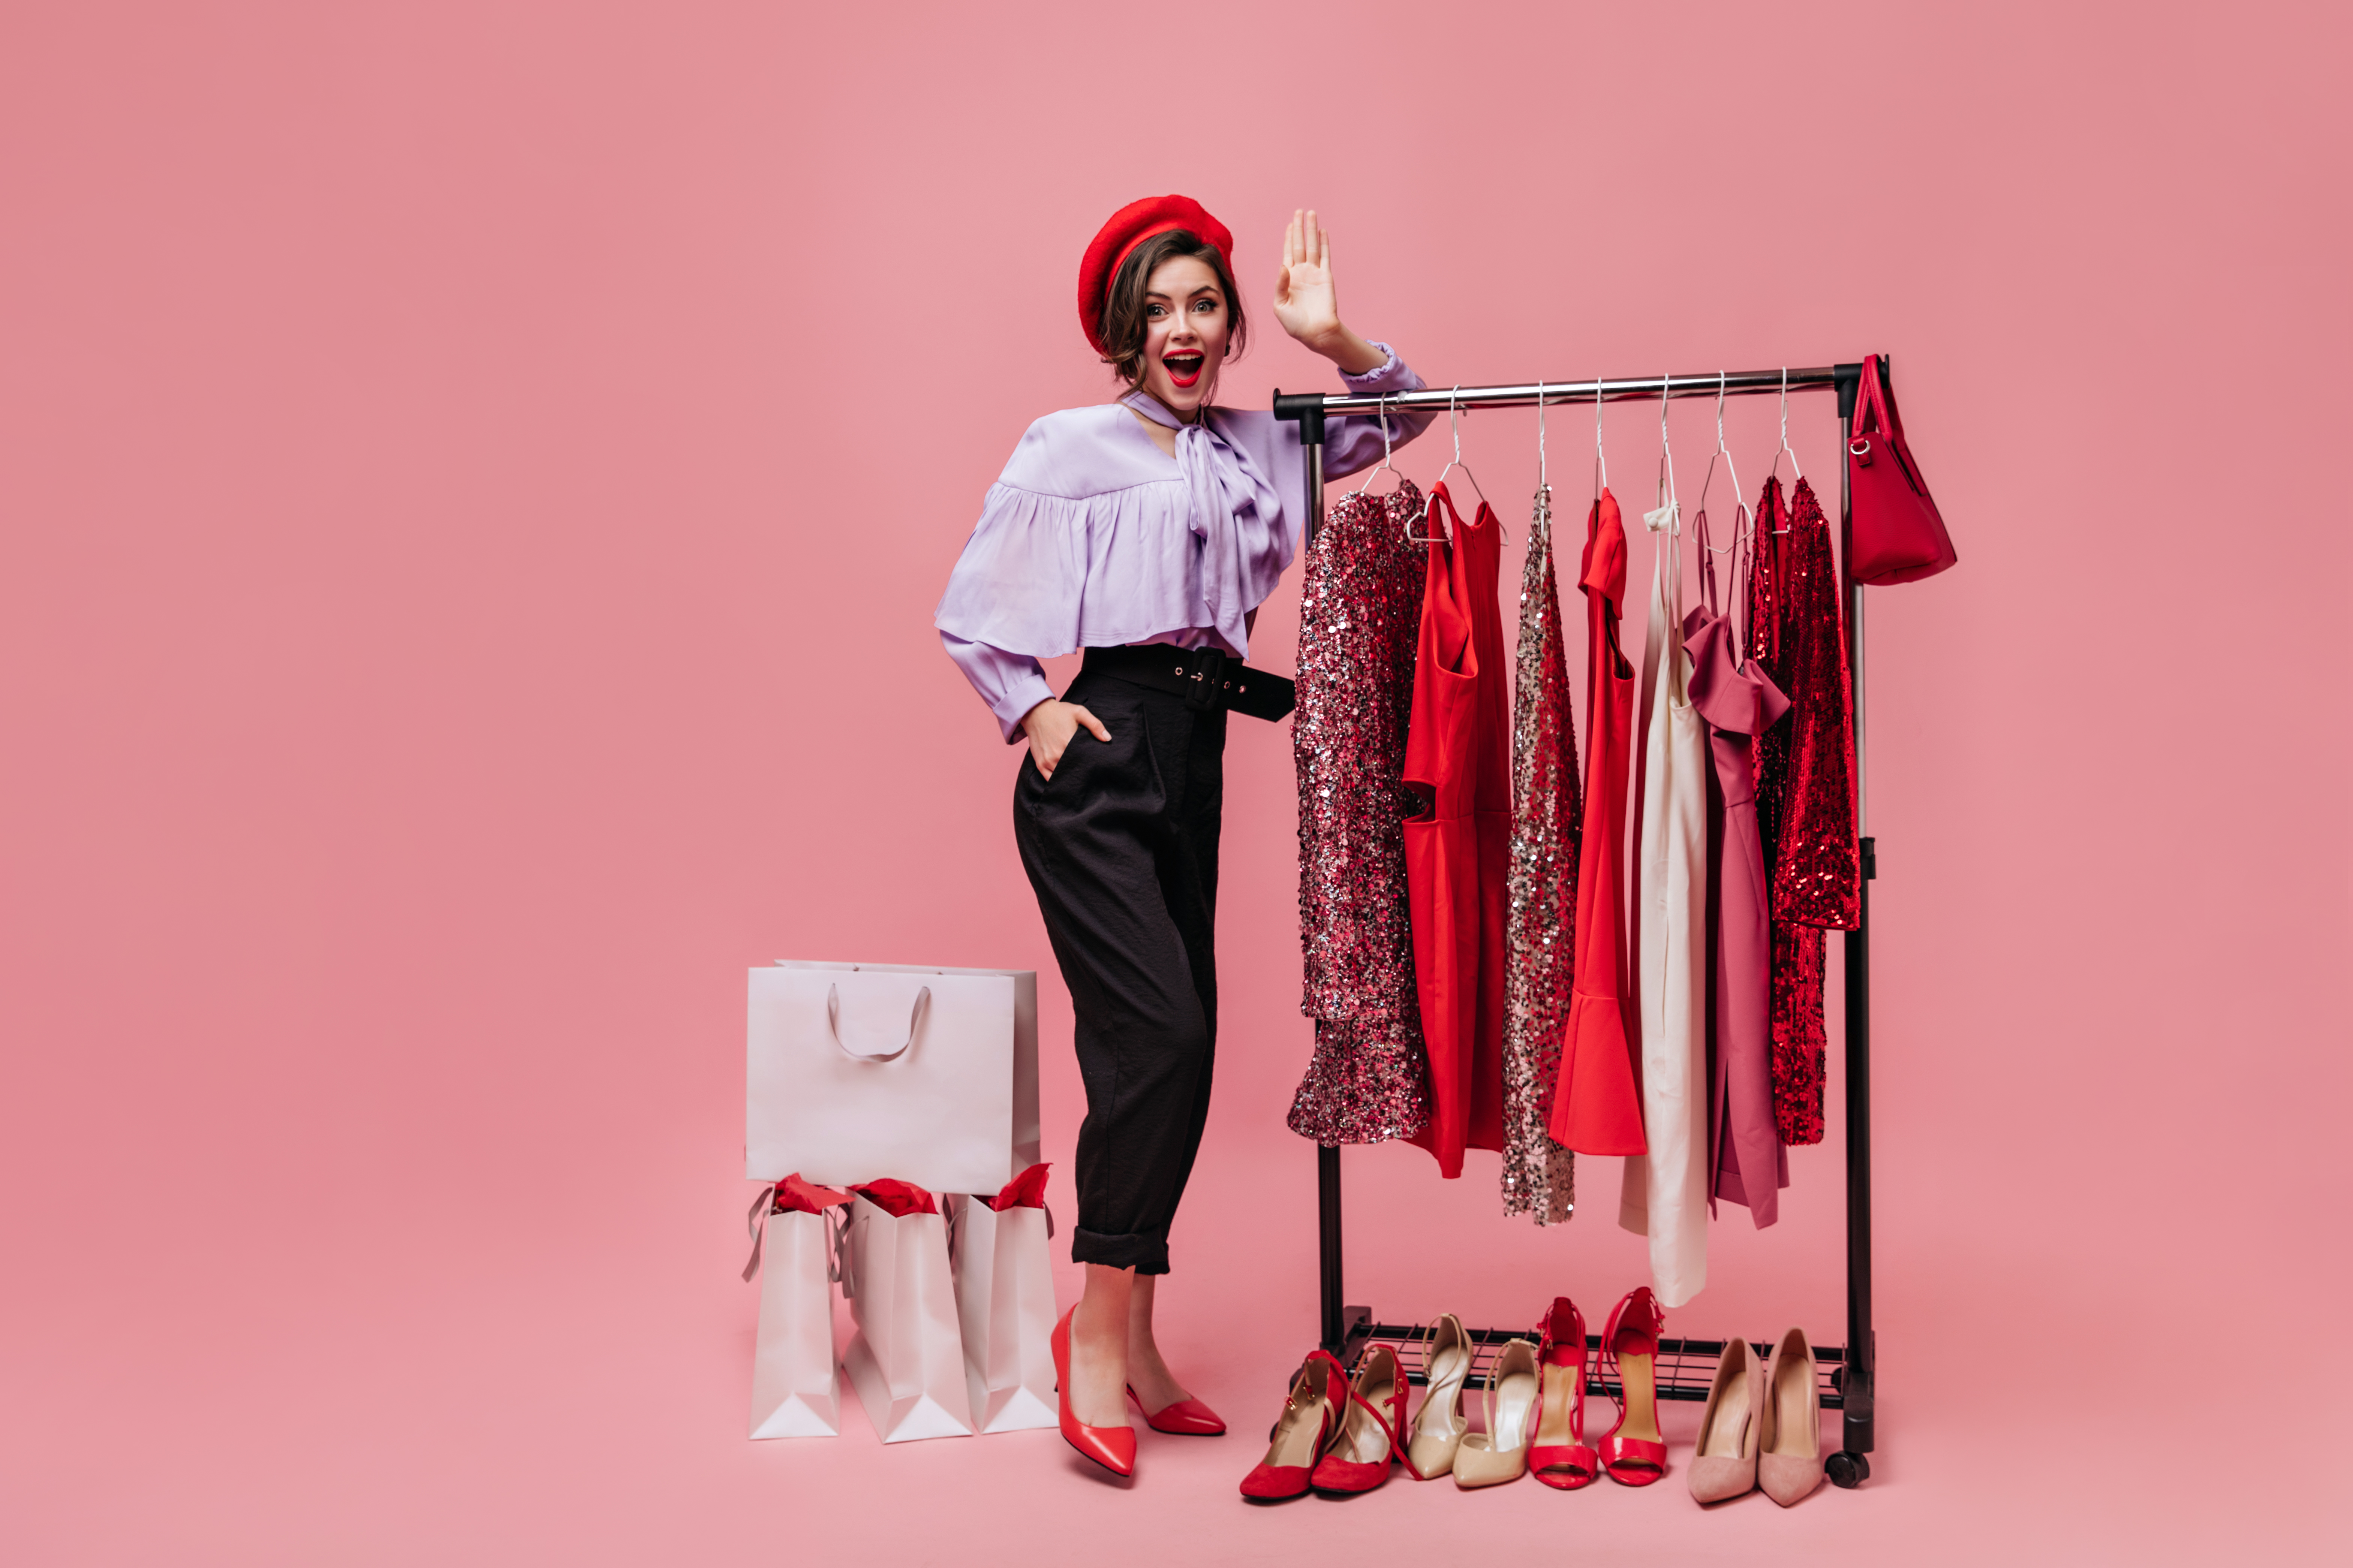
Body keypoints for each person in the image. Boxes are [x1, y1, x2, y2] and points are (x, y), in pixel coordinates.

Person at [935, 196, 1431, 1476]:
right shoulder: (1071, 443)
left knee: (1182, 1051)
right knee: (1161, 1033)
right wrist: (1032, 710)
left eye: (1204, 303)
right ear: (1122, 327)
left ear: (1231, 321)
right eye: (1156, 309)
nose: (1184, 329)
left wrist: (1331, 335)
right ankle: (1092, 1334)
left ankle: (1139, 1338)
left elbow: (1412, 414)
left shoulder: (1268, 444)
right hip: (1102, 754)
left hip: (1200, 756)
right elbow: (976, 610)